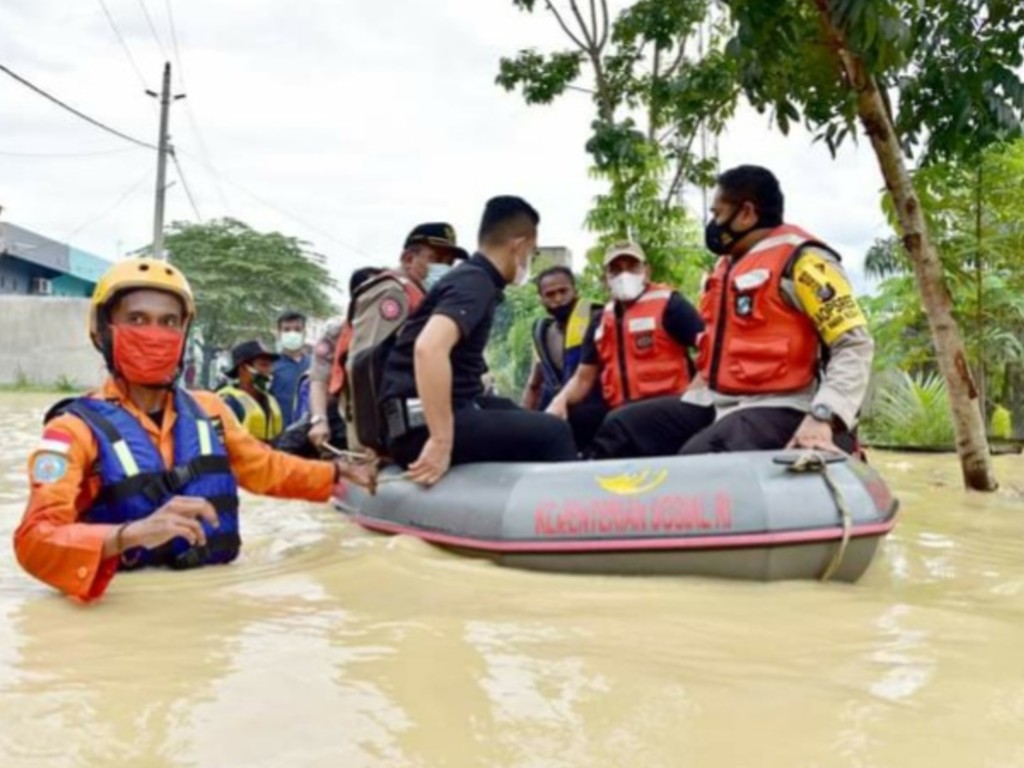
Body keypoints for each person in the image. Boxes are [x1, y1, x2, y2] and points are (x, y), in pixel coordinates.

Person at [12, 258, 374, 602]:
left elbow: (265, 468)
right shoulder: (72, 431)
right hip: (126, 613)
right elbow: (34, 540)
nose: (155, 334)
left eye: (169, 322)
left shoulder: (210, 411)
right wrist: (127, 535)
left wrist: (336, 473)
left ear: (184, 333)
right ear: (104, 332)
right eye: (137, 319)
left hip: (212, 609)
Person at [589, 165, 874, 458]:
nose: (713, 224)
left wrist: (823, 415)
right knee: (621, 426)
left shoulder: (804, 262)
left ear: (747, 213)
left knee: (699, 455)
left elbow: (854, 344)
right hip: (718, 400)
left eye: (717, 213)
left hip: (784, 403)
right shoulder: (726, 267)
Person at [377, 196, 577, 485]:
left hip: (420, 417)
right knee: (554, 432)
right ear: (518, 247)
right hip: (420, 427)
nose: (527, 264)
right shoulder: (475, 282)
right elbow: (428, 349)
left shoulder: (469, 278)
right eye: (531, 254)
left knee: (509, 409)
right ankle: (565, 517)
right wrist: (440, 441)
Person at [319, 223, 469, 453]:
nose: (444, 268)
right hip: (379, 436)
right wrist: (370, 443)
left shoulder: (422, 294)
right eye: (436, 259)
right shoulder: (391, 292)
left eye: (449, 262)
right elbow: (364, 367)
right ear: (408, 258)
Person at [546, 241, 703, 437]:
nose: (624, 275)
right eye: (616, 270)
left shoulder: (669, 304)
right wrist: (558, 402)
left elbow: (710, 348)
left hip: (669, 406)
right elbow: (583, 378)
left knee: (618, 422)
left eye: (632, 267)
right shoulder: (600, 321)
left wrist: (694, 395)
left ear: (646, 271)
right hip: (622, 410)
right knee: (573, 418)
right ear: (605, 279)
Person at [521, 266, 607, 452]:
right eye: (550, 295)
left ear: (575, 291)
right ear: (541, 299)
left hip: (599, 413)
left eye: (563, 291)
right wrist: (524, 424)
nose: (558, 299)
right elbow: (534, 384)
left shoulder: (598, 319)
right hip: (561, 415)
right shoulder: (544, 334)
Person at [217, 340, 285, 442]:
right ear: (243, 369)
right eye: (263, 365)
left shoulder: (271, 400)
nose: (269, 371)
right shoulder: (228, 403)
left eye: (270, 366)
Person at [271, 310, 310, 426]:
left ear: (304, 332)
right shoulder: (271, 366)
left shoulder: (315, 365)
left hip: (310, 434)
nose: (292, 334)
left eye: (297, 329)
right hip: (281, 435)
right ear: (278, 333)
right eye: (286, 330)